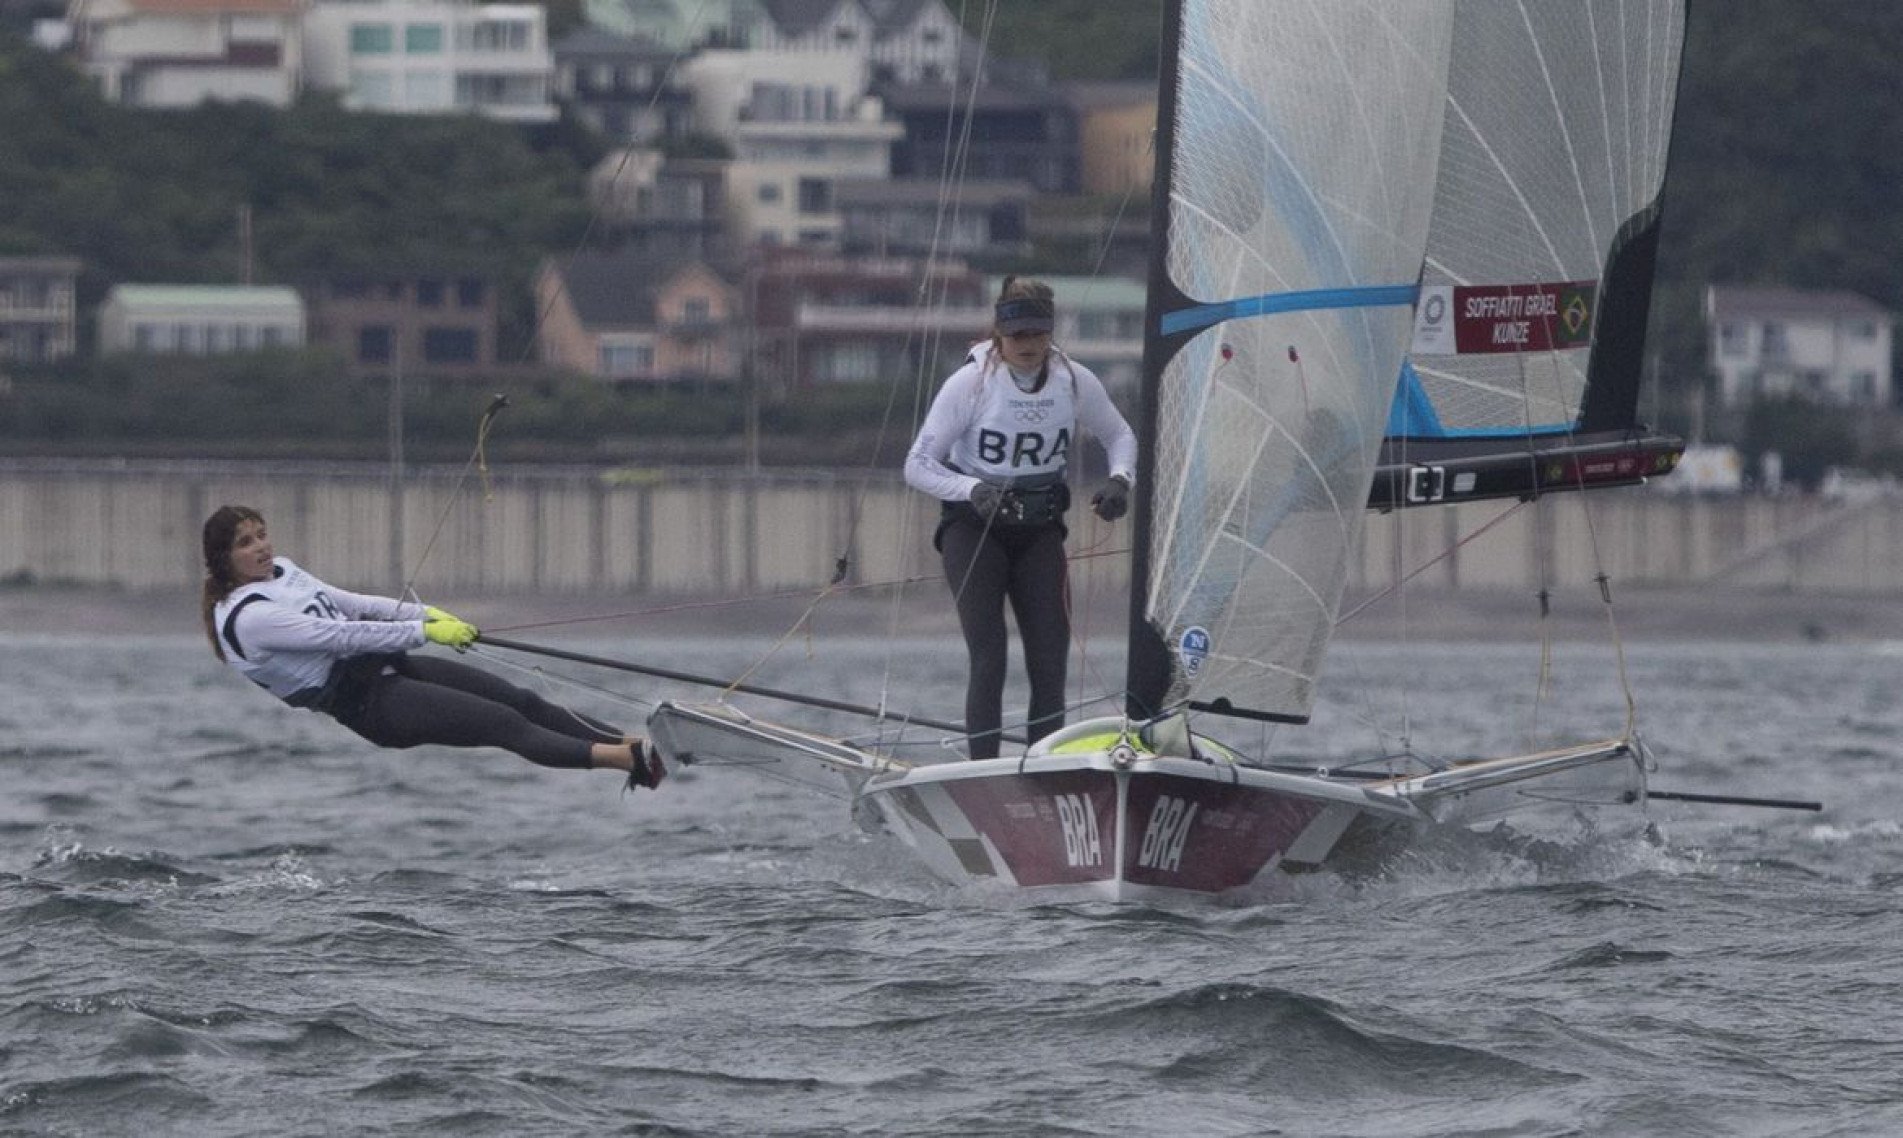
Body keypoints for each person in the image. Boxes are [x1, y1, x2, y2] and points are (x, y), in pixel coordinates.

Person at [199, 505, 663, 790]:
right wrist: (426, 633)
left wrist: (427, 615)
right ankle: (630, 763)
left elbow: (353, 604)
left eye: (261, 534)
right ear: (224, 560)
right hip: (372, 707)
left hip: (393, 669)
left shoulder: (282, 570)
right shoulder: (250, 618)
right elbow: (342, 635)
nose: (261, 547)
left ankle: (634, 744)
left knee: (520, 700)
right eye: (246, 543)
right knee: (503, 724)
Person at [903, 277, 1138, 759]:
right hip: (974, 529)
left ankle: (1045, 768)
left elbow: (1120, 436)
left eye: (1036, 335)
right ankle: (982, 769)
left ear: (1049, 333)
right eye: (1016, 337)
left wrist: (1120, 479)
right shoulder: (970, 384)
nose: (1027, 346)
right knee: (990, 657)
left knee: (1050, 661)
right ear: (998, 335)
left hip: (1039, 531)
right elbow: (917, 464)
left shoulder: (1074, 380)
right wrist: (972, 488)